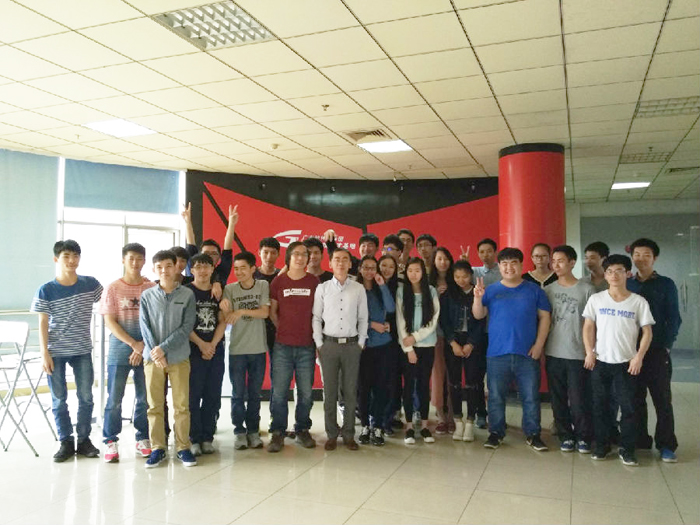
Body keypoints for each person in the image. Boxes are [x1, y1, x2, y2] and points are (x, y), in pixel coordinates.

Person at [30, 240, 103, 462]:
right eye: (66, 256)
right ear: (56, 259)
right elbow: (43, 323)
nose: (72, 261)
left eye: (75, 256)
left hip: (82, 349)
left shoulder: (91, 284)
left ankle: (84, 440)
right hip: (56, 351)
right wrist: (44, 353)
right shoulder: (46, 289)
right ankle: (65, 441)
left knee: (86, 397)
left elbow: (110, 300)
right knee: (59, 399)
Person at [473, 247, 551, 451]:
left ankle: (533, 434)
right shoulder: (491, 290)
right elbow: (479, 315)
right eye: (505, 264)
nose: (509, 267)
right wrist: (477, 298)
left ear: (521, 265)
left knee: (530, 396)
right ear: (499, 266)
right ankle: (496, 432)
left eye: (513, 263)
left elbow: (545, 317)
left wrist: (539, 345)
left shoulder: (534, 290)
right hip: (497, 353)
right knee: (496, 396)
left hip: (527, 353)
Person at [583, 254, 654, 466]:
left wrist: (638, 357)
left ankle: (627, 448)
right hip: (600, 361)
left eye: (619, 271)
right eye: (610, 271)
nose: (614, 275)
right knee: (600, 406)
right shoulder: (597, 299)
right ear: (605, 275)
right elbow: (588, 326)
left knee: (629, 408)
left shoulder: (638, 301)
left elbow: (647, 332)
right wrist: (589, 352)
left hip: (627, 363)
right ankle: (602, 445)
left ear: (627, 273)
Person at [139, 250, 197, 468]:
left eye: (168, 266)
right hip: (152, 359)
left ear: (176, 267)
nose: (164, 270)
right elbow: (145, 326)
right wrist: (156, 353)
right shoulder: (147, 295)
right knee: (154, 406)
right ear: (154, 269)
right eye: (159, 267)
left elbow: (186, 327)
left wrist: (163, 349)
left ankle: (183, 448)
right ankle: (158, 448)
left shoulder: (187, 295)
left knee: (181, 405)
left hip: (179, 357)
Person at [100, 243, 156, 463]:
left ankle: (143, 438)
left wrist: (142, 346)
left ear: (144, 261)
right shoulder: (113, 288)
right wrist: (134, 344)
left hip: (147, 350)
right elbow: (110, 321)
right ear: (123, 260)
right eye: (131, 258)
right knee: (115, 398)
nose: (135, 263)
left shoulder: (151, 287)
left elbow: (156, 321)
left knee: (145, 398)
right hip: (119, 352)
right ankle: (110, 440)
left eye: (139, 258)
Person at [627, 238, 681, 462]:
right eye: (637, 254)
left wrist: (666, 345)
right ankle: (641, 439)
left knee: (662, 400)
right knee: (635, 398)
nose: (641, 259)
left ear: (654, 258)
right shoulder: (627, 283)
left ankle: (666, 444)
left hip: (657, 351)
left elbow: (674, 318)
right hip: (631, 351)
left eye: (646, 255)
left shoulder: (666, 284)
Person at [313, 249, 369, 451]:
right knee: (329, 393)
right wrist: (319, 343)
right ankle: (331, 434)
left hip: (352, 346)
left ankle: (348, 434)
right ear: (330, 263)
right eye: (336, 259)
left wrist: (360, 342)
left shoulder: (358, 288)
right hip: (328, 345)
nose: (341, 263)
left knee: (350, 392)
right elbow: (316, 317)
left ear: (350, 264)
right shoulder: (323, 288)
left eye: (345, 259)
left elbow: (363, 318)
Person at [267, 241, 319, 452]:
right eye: (296, 254)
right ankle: (278, 432)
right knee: (279, 392)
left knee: (306, 392)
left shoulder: (314, 282)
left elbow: (319, 312)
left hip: (307, 346)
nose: (300, 257)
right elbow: (273, 312)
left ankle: (302, 429)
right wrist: (284, 328)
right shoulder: (278, 282)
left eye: (304, 254)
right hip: (283, 346)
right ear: (288, 257)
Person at [544, 245, 595, 454]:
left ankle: (583, 436)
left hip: (578, 353)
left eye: (561, 261)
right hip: (553, 351)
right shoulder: (548, 290)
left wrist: (591, 351)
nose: (556, 265)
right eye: (553, 261)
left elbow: (593, 324)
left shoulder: (587, 289)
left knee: (579, 398)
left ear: (572, 263)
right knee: (557, 398)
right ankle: (565, 436)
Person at [221, 251, 270, 451]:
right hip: (237, 350)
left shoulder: (262, 285)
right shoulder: (229, 289)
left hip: (258, 349)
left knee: (255, 394)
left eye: (243, 268)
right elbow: (227, 317)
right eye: (236, 268)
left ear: (252, 269)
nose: (239, 272)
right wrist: (225, 308)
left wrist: (241, 311)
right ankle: (239, 431)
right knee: (238, 394)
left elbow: (264, 312)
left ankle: (253, 431)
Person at [440, 260, 486, 442]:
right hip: (453, 342)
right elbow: (444, 321)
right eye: (457, 276)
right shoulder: (448, 294)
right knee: (454, 382)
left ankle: (470, 422)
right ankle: (458, 421)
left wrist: (471, 344)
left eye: (465, 276)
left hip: (473, 342)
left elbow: (481, 321)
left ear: (471, 275)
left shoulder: (478, 292)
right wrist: (453, 343)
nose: (461, 280)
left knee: (473, 382)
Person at [186, 254, 226, 456]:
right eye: (198, 267)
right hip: (193, 351)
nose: (202, 270)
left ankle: (207, 437)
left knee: (212, 395)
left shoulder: (219, 292)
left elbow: (223, 320)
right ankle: (194, 438)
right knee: (193, 396)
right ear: (192, 270)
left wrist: (212, 345)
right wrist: (202, 345)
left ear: (212, 269)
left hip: (215, 350)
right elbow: (183, 324)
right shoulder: (186, 292)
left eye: (206, 266)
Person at [396, 257, 440, 444]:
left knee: (423, 385)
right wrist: (409, 348)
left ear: (423, 272)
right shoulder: (401, 291)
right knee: (408, 386)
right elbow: (400, 321)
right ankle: (408, 427)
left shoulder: (431, 291)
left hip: (427, 346)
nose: (414, 274)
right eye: (410, 270)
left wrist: (416, 337)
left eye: (417, 270)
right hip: (408, 348)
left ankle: (424, 426)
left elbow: (433, 319)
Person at [355, 256, 395, 446]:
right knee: (363, 388)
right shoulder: (355, 289)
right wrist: (372, 325)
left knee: (381, 388)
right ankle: (365, 425)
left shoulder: (380, 288)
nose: (369, 271)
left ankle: (377, 426)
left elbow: (391, 308)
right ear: (360, 269)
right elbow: (350, 316)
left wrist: (382, 285)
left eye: (373, 268)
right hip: (363, 346)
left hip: (383, 345)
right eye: (366, 267)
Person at [470, 238, 501, 429]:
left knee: (496, 378)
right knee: (477, 375)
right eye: (481, 251)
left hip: (498, 332)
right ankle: (480, 413)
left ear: (495, 252)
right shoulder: (474, 272)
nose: (485, 255)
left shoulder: (503, 272)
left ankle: (497, 415)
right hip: (479, 332)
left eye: (489, 251)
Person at [181, 202, 239, 298]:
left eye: (214, 253)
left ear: (219, 257)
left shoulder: (221, 272)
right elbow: (191, 243)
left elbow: (227, 248)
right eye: (206, 253)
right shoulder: (192, 264)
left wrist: (232, 224)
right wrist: (187, 221)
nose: (209, 256)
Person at [430, 247, 456, 434]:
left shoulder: (456, 279)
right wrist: (436, 296)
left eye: (446, 258)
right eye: (439, 258)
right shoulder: (428, 282)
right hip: (435, 335)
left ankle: (453, 416)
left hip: (454, 335)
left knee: (453, 377)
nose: (443, 262)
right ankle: (440, 416)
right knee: (438, 376)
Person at [378, 254, 403, 434]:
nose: (387, 269)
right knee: (375, 380)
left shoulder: (399, 288)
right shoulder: (370, 285)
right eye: (384, 265)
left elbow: (400, 314)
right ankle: (374, 419)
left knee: (392, 380)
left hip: (394, 340)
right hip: (373, 338)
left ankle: (389, 417)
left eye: (391, 267)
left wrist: (391, 326)